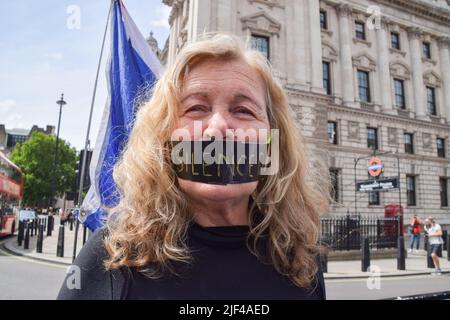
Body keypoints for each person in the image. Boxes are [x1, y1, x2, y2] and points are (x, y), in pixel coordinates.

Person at [57, 34, 330, 300]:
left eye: (244, 111)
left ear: (272, 141)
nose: (218, 128)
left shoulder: (303, 262)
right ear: (164, 141)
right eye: (196, 108)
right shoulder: (112, 256)